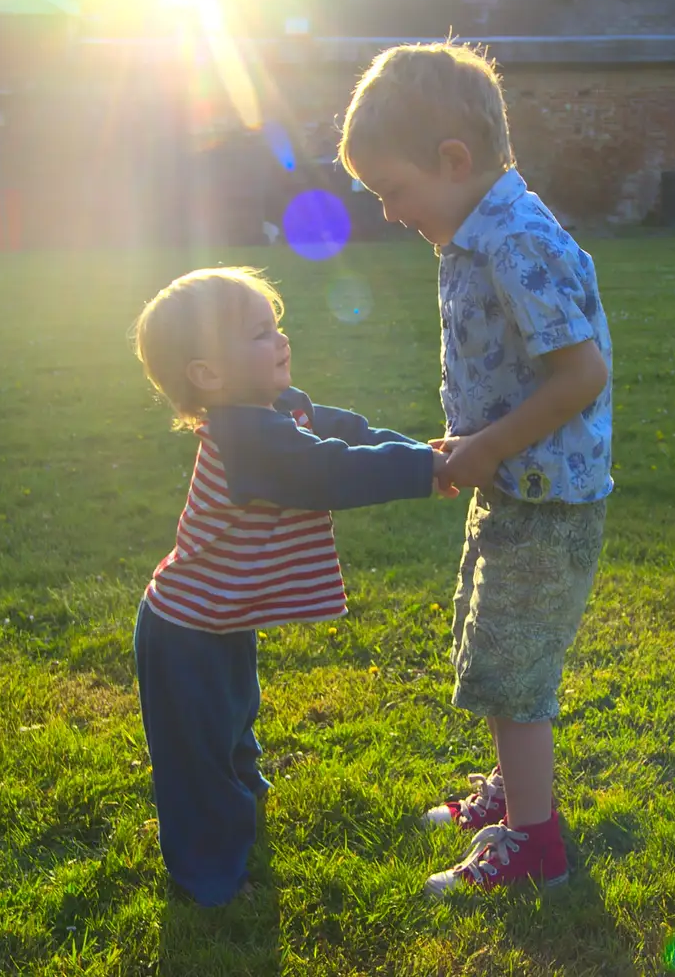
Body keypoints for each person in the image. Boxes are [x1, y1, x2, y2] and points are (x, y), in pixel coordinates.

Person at [338, 42, 614, 895]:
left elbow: (581, 373)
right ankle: (513, 790)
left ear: (453, 161)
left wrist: (488, 446)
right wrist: (476, 440)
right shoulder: (476, 235)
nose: (388, 212)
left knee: (515, 665)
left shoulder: (515, 246)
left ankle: (535, 843)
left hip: (545, 498)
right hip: (511, 485)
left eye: (394, 190)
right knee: (490, 647)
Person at [129, 266, 447, 906]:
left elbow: (346, 433)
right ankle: (208, 879)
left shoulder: (276, 409)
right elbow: (326, 470)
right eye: (256, 334)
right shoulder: (244, 437)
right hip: (185, 630)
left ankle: (243, 799)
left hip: (220, 618)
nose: (279, 341)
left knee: (234, 718)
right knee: (197, 756)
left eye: (275, 326)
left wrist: (427, 454)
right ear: (208, 376)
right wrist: (424, 470)